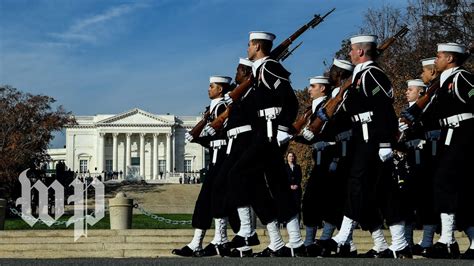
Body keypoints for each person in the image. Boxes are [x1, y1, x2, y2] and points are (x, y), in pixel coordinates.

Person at [319, 34, 411, 258]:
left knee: (357, 183)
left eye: (351, 50)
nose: (349, 54)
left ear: (360, 51)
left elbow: (383, 108)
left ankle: (343, 235)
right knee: (383, 191)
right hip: (362, 137)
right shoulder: (357, 77)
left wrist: (384, 143)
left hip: (373, 138)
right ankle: (399, 244)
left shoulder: (372, 74)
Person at [224, 31, 304, 257]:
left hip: (270, 135)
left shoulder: (269, 68)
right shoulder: (259, 73)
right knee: (274, 186)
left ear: (257, 46)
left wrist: (283, 128)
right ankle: (291, 242)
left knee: (237, 174)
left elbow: (289, 99)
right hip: (263, 133)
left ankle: (248, 232)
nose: (247, 48)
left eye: (249, 45)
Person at [172, 75, 232, 257]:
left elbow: (225, 132)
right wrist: (199, 137)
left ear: (220, 89)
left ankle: (219, 239)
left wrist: (205, 133)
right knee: (206, 200)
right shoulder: (211, 109)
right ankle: (199, 241)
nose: (208, 89)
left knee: (215, 199)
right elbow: (211, 137)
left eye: (211, 86)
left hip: (222, 156)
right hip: (214, 156)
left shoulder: (224, 108)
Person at [425, 43, 473, 260]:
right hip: (448, 135)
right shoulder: (444, 82)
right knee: (451, 187)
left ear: (450, 58)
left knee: (445, 183)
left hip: (463, 135)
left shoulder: (462, 78)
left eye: (439, 56)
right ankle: (452, 240)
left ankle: (447, 240)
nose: (436, 60)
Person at [285, 152, 302, 222]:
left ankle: (298, 221)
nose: (291, 157)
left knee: (297, 206)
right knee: (288, 205)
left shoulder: (297, 166)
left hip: (297, 190)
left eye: (292, 156)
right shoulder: (284, 167)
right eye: (290, 156)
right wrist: (289, 186)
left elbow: (299, 177)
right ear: (287, 158)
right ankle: (288, 221)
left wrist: (297, 185)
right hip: (288, 190)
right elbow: (283, 178)